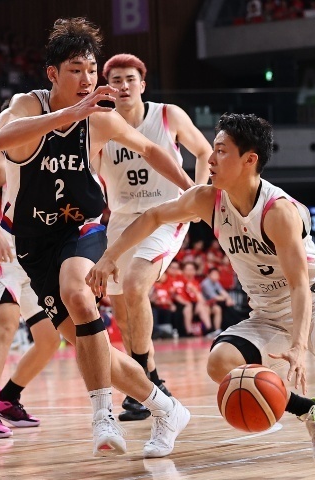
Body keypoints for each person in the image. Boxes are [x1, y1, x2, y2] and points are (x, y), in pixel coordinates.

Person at [89, 113, 315, 478]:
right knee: (220, 363)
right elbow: (153, 218)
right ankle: (311, 410)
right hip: (267, 308)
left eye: (221, 151)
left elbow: (300, 285)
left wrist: (299, 347)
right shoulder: (207, 199)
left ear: (250, 160)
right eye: (213, 150)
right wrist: (109, 256)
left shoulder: (278, 211)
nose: (211, 159)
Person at [0, 17, 191, 457]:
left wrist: (191, 190)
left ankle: (102, 415)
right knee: (89, 343)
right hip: (34, 243)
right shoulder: (28, 105)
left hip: (81, 227)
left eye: (91, 69)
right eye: (76, 70)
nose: (87, 79)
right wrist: (70, 113)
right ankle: (166, 406)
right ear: (53, 75)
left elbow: (152, 149)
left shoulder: (99, 121)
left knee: (78, 296)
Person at [99, 53, 211, 421]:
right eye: (115, 79)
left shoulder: (167, 115)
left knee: (134, 285)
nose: (123, 85)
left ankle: (145, 381)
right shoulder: (100, 125)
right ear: (107, 87)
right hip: (120, 218)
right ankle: (149, 383)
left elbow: (204, 150)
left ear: (142, 84)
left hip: (166, 213)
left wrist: (196, 193)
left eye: (130, 78)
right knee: (121, 310)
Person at [0, 148, 63, 438]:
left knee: (49, 339)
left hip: (32, 259)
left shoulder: (47, 159)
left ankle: (8, 397)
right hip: (2, 253)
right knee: (6, 326)